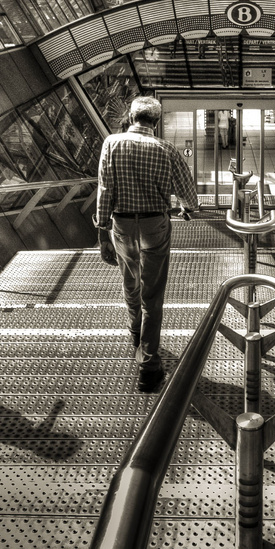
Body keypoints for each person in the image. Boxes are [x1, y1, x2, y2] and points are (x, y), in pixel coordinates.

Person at [96, 96, 198, 389]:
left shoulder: (111, 144)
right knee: (152, 295)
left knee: (131, 282)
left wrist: (102, 232)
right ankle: (149, 367)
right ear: (156, 122)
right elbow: (188, 194)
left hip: (123, 225)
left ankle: (135, 331)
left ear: (130, 116)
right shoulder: (166, 149)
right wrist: (186, 208)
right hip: (155, 224)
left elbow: (105, 190)